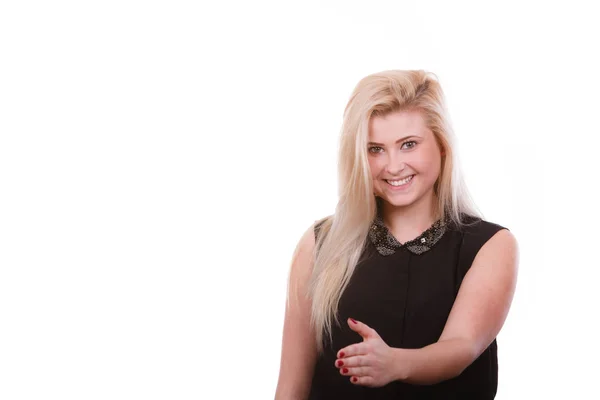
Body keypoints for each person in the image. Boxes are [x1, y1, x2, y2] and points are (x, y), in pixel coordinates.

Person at [274, 70, 519, 399]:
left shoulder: (489, 246)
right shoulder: (319, 244)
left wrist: (394, 363)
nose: (392, 166)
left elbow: (461, 347)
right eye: (375, 149)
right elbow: (291, 389)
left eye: (408, 145)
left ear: (442, 146)